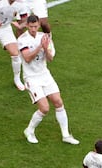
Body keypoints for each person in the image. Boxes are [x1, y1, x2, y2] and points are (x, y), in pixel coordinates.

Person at [17, 14, 79, 145]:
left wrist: (45, 48)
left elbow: (50, 58)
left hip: (44, 74)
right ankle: (29, 130)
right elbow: (27, 58)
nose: (33, 29)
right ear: (27, 25)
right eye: (31, 26)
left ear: (39, 25)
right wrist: (40, 47)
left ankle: (66, 135)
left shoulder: (45, 38)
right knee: (45, 108)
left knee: (58, 102)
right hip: (31, 78)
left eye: (35, 26)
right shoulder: (22, 40)